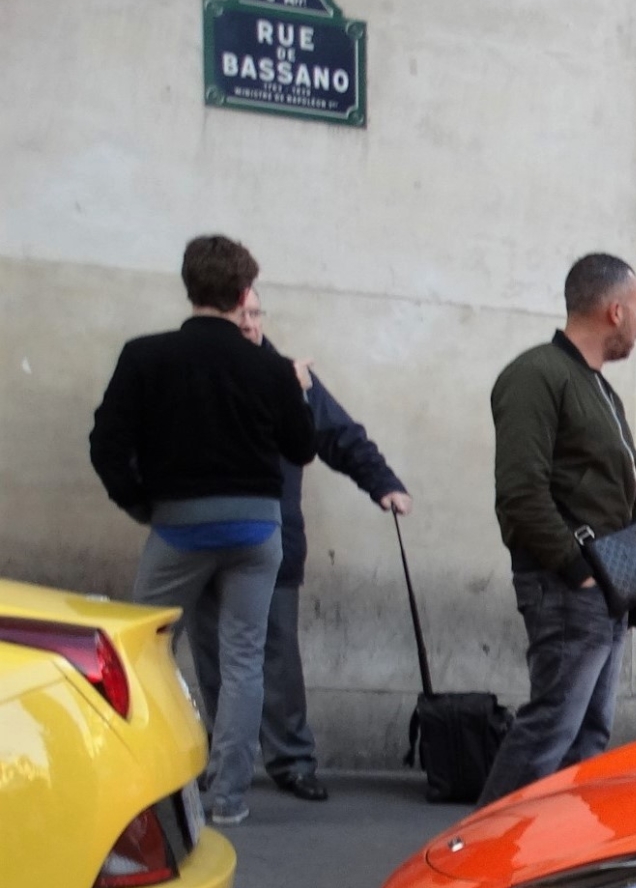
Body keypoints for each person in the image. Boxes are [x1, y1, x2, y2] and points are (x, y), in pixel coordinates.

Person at [89, 234, 315, 825]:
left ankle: (137, 786)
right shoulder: (268, 367)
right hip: (257, 528)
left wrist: (142, 505)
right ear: (244, 295)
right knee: (244, 663)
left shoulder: (146, 357)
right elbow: (301, 445)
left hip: (180, 527)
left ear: (188, 287)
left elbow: (107, 444)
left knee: (146, 653)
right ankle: (227, 799)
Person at [187, 283, 412, 803]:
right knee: (212, 658)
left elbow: (338, 434)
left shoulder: (290, 378)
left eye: (256, 313)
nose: (249, 323)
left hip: (272, 540)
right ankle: (225, 763)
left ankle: (290, 759)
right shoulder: (197, 375)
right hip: (200, 538)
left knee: (277, 659)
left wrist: (383, 484)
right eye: (239, 313)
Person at [478, 252, 636, 806]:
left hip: (605, 586)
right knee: (551, 727)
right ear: (614, 311)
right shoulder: (536, 375)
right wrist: (578, 571)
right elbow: (521, 493)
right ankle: (480, 858)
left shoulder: (594, 384)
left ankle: (556, 856)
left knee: (587, 736)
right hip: (570, 587)